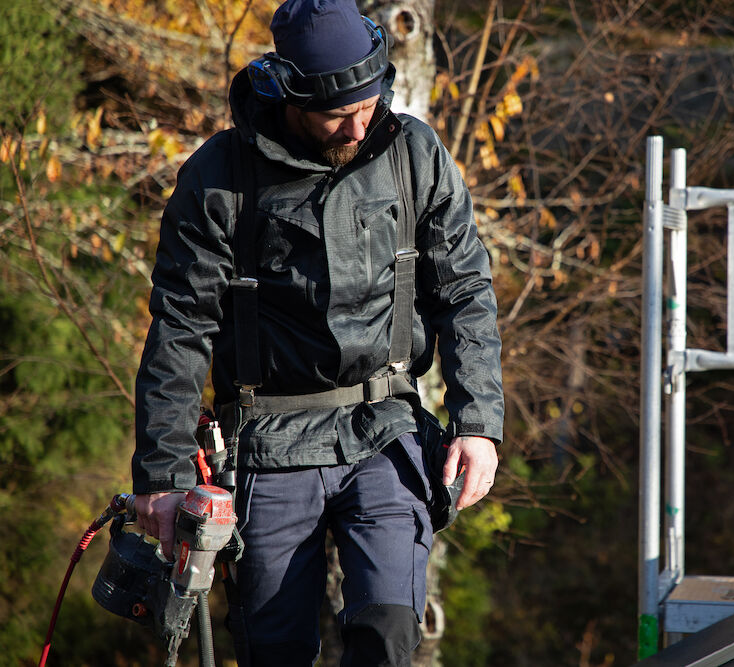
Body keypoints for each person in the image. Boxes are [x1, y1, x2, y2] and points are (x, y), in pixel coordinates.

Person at [130, 0, 504, 664]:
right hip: (268, 446)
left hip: (385, 428)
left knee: (387, 633)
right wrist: (159, 474)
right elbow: (179, 329)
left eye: (369, 102)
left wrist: (479, 421)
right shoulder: (220, 178)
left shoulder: (414, 155)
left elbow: (467, 291)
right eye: (338, 114)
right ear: (288, 95)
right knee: (274, 648)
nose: (360, 124)